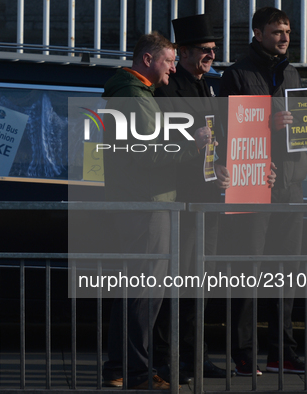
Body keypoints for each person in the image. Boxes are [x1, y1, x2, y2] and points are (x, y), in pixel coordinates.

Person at [219, 6, 307, 376]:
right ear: (258, 33)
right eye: (277, 31)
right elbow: (226, 131)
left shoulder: (292, 73)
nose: (284, 38)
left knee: (285, 273)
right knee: (249, 272)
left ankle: (282, 352)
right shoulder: (235, 75)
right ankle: (244, 354)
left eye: (288, 32)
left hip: (291, 186)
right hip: (252, 185)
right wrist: (267, 125)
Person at [100, 32, 211, 390]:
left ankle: (120, 368)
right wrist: (192, 147)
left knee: (135, 290)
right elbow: (148, 154)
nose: (174, 68)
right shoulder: (134, 96)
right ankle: (136, 372)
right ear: (147, 60)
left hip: (141, 201)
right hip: (147, 203)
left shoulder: (133, 93)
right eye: (169, 61)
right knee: (145, 293)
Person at [154, 13, 234, 380]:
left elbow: (216, 141)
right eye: (205, 50)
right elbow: (161, 148)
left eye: (214, 50)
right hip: (180, 201)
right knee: (177, 282)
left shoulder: (209, 87)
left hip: (208, 200)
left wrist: (222, 171)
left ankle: (195, 356)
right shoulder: (167, 91)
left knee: (199, 282)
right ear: (183, 52)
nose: (211, 56)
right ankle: (170, 359)